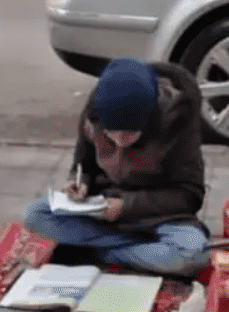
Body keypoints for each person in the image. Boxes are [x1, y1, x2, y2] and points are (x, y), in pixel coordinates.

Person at [23, 57, 210, 277]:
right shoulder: (95, 114)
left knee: (191, 256)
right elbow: (83, 163)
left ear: (147, 122)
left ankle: (100, 251)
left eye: (129, 134)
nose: (120, 142)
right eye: (111, 134)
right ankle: (142, 251)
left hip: (159, 217)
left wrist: (126, 206)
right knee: (35, 214)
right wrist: (79, 182)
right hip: (102, 211)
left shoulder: (176, 124)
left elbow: (190, 196)